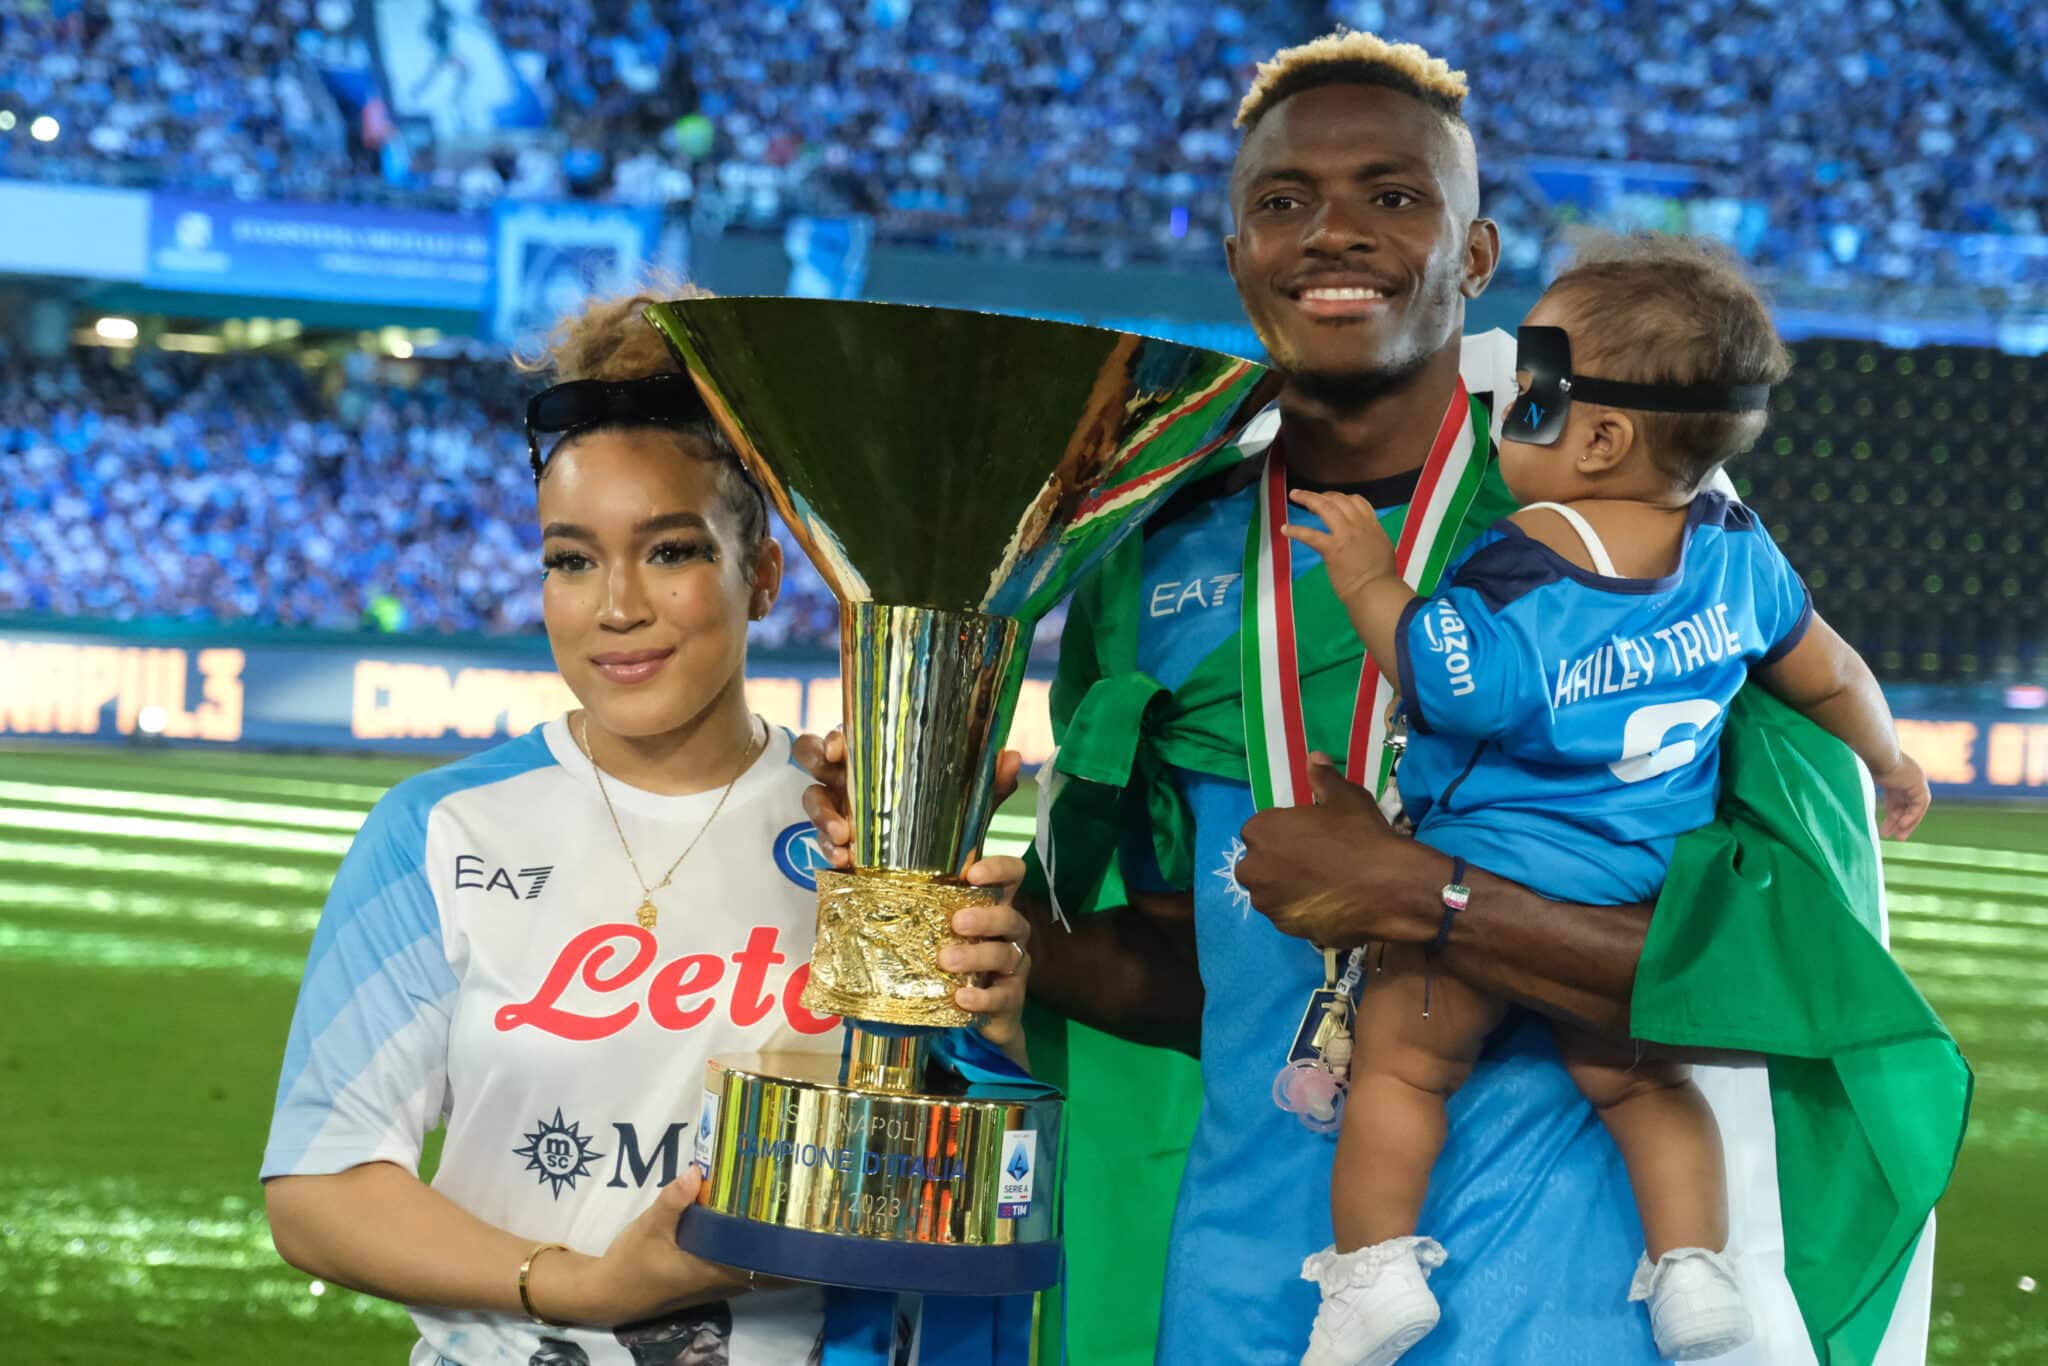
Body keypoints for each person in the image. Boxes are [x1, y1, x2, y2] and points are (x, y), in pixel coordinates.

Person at [793, 29, 1960, 1366]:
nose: (1331, 232)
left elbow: (1757, 965)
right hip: (1248, 1285)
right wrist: (967, 917)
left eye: (1394, 196)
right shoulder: (1150, 550)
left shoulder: (1646, 530)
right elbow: (1205, 959)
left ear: (1476, 255)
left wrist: (1421, 894)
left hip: (1554, 1294)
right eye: (1282, 201)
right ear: (1238, 254)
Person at [260, 284, 1036, 1366]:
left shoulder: (863, 835)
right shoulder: (438, 831)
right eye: (570, 559)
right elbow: (318, 1185)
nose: (616, 606)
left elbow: (955, 1195)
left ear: (761, 576)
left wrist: (985, 1036)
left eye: (670, 551)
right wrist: (580, 1286)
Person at [1281, 237, 1930, 1365]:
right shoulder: (1736, 554)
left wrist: (1369, 578)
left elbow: (1450, 682)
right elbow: (1829, 672)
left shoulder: (1529, 560)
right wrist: (1888, 761)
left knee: (1401, 1064)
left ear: (1598, 439)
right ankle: (1692, 1270)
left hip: (1488, 877)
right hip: (1635, 891)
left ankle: (1373, 1273)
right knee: (1644, 1087)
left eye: (1529, 388)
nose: (1505, 405)